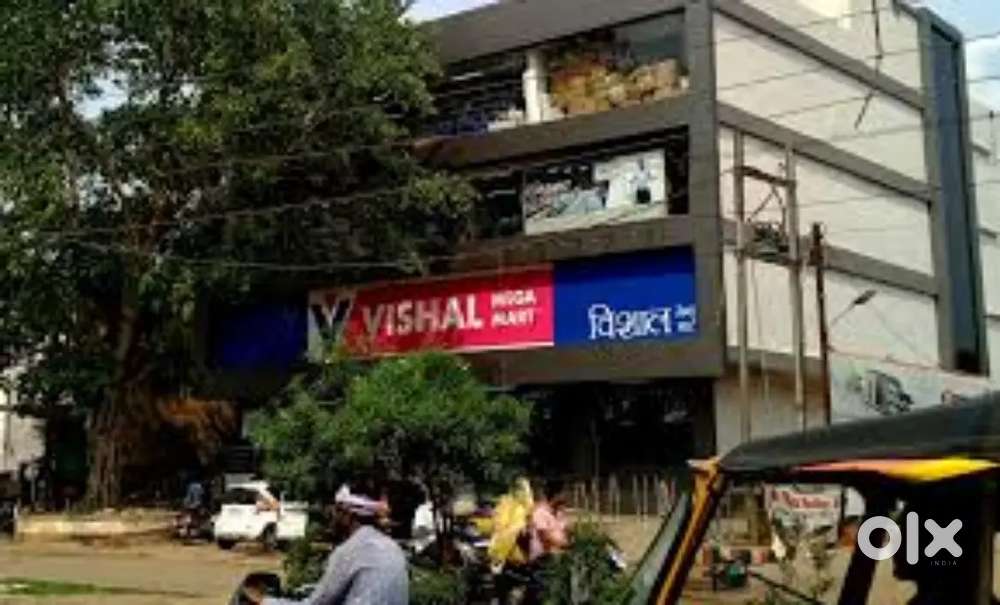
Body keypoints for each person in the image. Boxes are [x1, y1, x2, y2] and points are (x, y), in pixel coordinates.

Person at [244, 484, 408, 605]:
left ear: (348, 516)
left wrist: (264, 601)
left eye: (336, 511)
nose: (332, 517)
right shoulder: (392, 547)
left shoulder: (350, 550)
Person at [529, 479, 569, 562]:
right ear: (556, 495)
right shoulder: (540, 512)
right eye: (564, 493)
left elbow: (565, 532)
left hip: (560, 553)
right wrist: (564, 545)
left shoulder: (560, 513)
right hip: (543, 557)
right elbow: (544, 538)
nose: (566, 496)